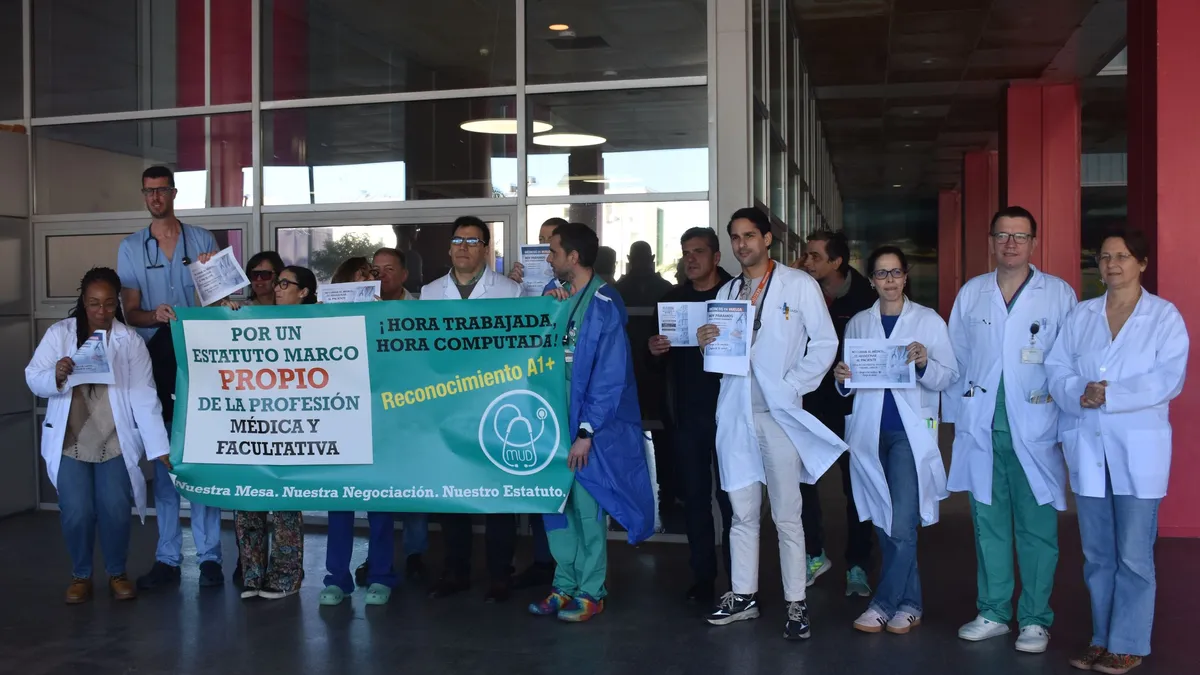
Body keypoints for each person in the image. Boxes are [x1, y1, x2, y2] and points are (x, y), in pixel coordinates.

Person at [1045, 228, 1189, 675]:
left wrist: (1110, 394)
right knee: (1097, 555)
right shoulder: (1082, 315)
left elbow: (1168, 378)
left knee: (1133, 554)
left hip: (1138, 451)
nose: (1112, 264)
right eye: (1105, 257)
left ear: (1141, 263)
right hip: (1089, 446)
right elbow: (1056, 367)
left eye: (1122, 256)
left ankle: (1128, 643)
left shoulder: (1163, 316)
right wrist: (1078, 391)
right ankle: (1101, 637)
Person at [698, 208, 845, 640]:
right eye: (735, 237)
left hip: (778, 414)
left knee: (786, 514)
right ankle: (743, 596)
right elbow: (722, 355)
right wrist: (707, 342)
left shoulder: (797, 285)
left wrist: (793, 385)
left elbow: (825, 342)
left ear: (767, 239)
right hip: (736, 413)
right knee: (742, 513)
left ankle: (796, 603)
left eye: (749, 236)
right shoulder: (727, 291)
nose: (741, 244)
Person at [944, 206, 1078, 654]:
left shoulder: (1057, 294)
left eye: (1020, 236)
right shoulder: (972, 293)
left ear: (1034, 243)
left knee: (1037, 528)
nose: (1011, 244)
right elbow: (956, 360)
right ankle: (994, 612)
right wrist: (956, 420)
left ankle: (1035, 619)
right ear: (991, 241)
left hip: (1037, 427)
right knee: (989, 525)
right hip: (983, 426)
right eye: (1003, 235)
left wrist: (1067, 425)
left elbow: (1069, 361)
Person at [528, 221, 654, 623]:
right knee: (556, 506)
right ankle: (563, 585)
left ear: (573, 256)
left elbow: (610, 376)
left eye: (553, 251)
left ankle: (591, 590)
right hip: (551, 424)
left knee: (587, 509)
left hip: (587, 430)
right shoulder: (555, 297)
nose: (548, 258)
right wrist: (550, 310)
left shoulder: (603, 303)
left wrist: (586, 431)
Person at [831, 247, 957, 634]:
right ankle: (910, 603)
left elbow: (947, 376)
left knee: (901, 521)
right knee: (884, 520)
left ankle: (883, 603)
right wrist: (841, 379)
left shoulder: (928, 321)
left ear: (906, 277)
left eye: (896, 272)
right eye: (881, 274)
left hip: (909, 432)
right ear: (871, 280)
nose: (889, 280)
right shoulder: (859, 324)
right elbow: (850, 382)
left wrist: (924, 362)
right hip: (869, 432)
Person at [25, 268, 170, 604]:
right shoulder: (60, 334)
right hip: (70, 440)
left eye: (108, 303)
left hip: (114, 439)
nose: (101, 311)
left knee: (115, 508)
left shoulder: (129, 341)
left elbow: (144, 395)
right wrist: (56, 375)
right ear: (83, 301)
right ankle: (81, 575)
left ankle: (117, 573)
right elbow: (33, 377)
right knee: (75, 510)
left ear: (117, 302)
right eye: (93, 303)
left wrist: (158, 446)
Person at [116, 165, 225, 591]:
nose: (156, 197)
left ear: (175, 193)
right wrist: (155, 315)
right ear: (143, 195)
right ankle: (167, 558)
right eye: (149, 191)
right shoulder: (131, 247)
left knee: (202, 459)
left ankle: (211, 557)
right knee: (165, 461)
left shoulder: (201, 240)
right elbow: (131, 313)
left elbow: (219, 303)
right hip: (156, 360)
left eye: (162, 190)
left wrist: (210, 278)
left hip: (200, 358)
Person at [420, 216, 523, 602]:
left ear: (485, 248)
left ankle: (500, 574)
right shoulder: (430, 292)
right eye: (457, 240)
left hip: (494, 403)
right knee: (452, 492)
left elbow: (519, 347)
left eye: (472, 241)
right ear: (449, 248)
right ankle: (455, 571)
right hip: (447, 406)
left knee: (499, 495)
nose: (463, 247)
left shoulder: (509, 291)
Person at [647, 227, 734, 605]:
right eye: (686, 253)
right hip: (685, 417)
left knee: (733, 502)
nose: (691, 259)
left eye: (698, 251)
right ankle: (703, 578)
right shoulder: (671, 301)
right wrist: (654, 350)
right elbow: (654, 366)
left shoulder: (735, 296)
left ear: (716, 257)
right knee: (695, 501)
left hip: (730, 415)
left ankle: (740, 582)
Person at [799, 230, 878, 594]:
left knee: (856, 484)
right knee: (803, 479)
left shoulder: (865, 298)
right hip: (809, 401)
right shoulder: (800, 291)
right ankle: (813, 554)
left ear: (837, 262)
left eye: (815, 256)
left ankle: (858, 564)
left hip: (851, 404)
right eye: (806, 255)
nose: (807, 261)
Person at [232, 266, 314, 600]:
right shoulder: (254, 319)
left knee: (284, 504)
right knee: (247, 498)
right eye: (276, 282)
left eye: (284, 283)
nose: (277, 288)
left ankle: (284, 577)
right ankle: (252, 575)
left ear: (303, 292)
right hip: (254, 424)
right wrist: (226, 315)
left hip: (292, 427)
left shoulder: (319, 324)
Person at [506, 216, 571, 590]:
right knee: (537, 480)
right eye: (541, 240)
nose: (544, 249)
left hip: (559, 396)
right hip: (528, 393)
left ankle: (566, 567)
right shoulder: (526, 283)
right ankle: (544, 560)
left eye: (551, 243)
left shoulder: (574, 288)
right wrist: (514, 288)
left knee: (562, 486)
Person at [355, 247, 425, 586]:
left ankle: (416, 555)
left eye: (389, 269)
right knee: (375, 490)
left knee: (413, 485)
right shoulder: (359, 307)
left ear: (404, 275)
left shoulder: (420, 309)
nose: (381, 275)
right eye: (376, 269)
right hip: (370, 413)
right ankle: (376, 557)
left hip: (411, 411)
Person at [508, 217, 569, 286]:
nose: (545, 243)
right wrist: (513, 283)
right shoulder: (528, 265)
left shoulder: (571, 276)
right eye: (541, 239)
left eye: (551, 239)